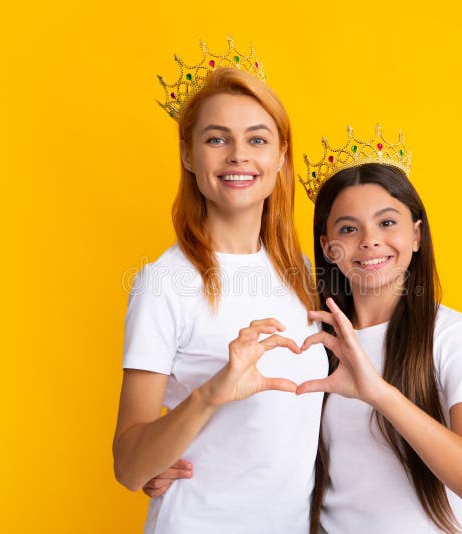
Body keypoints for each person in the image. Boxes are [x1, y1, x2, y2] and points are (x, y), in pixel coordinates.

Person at [146, 126, 462, 534]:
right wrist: (163, 464)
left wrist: (379, 393)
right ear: (328, 246)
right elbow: (271, 441)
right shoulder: (312, 339)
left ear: (417, 235)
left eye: (388, 222)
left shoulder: (452, 336)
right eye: (349, 229)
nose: (370, 242)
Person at [112, 41, 327, 534]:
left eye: (257, 140)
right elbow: (129, 466)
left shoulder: (305, 276)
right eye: (216, 139)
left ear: (280, 157)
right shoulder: (163, 283)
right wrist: (210, 395)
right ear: (188, 154)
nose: (238, 156)